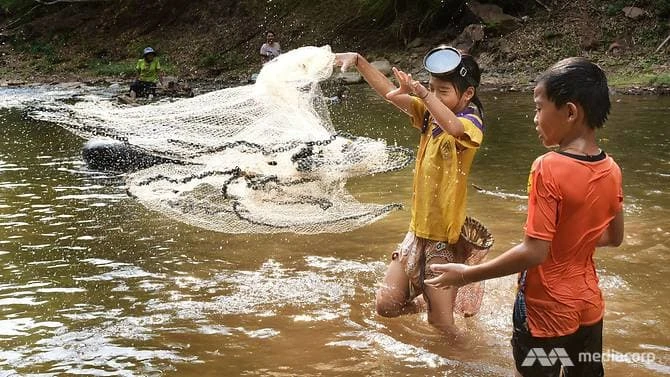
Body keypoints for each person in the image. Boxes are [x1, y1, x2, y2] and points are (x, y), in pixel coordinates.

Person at [426, 57, 624, 376]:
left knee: (536, 371)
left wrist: (466, 274)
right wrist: (566, 244)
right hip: (589, 308)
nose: (534, 118)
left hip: (544, 314)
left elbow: (535, 251)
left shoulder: (548, 167)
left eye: (539, 107)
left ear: (570, 112)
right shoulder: (612, 169)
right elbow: (614, 238)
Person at [334, 46, 492, 337]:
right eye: (432, 88)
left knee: (442, 328)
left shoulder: (471, 122)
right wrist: (359, 60)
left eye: (442, 91)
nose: (433, 94)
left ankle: (468, 362)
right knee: (386, 305)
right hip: (418, 232)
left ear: (467, 94)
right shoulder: (430, 114)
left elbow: (455, 129)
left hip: (444, 240)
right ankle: (426, 303)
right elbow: (390, 94)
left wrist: (422, 93)